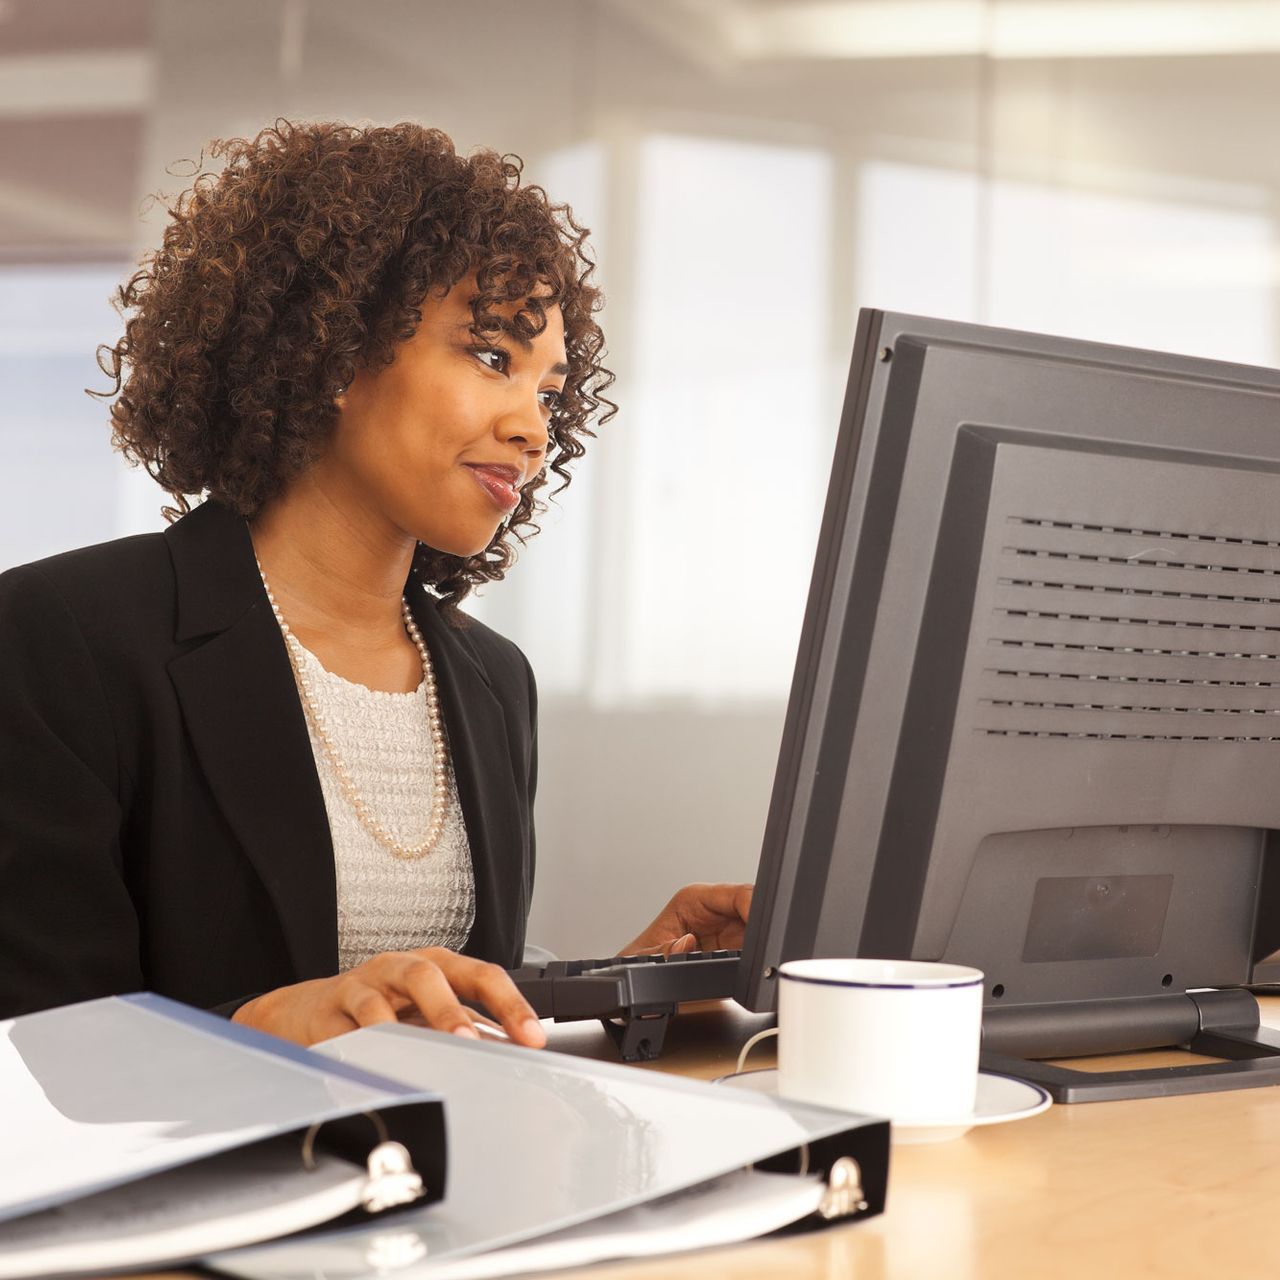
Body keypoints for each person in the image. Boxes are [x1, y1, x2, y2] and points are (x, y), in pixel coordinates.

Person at [0, 120, 751, 1047]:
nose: (533, 428)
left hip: (438, 1187)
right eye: (491, 359)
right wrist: (260, 1030)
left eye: (551, 391)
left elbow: (451, 1022)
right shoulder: (62, 636)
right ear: (335, 352)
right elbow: (31, 1045)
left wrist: (626, 990)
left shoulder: (491, 682)